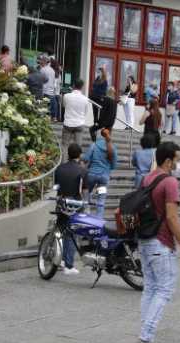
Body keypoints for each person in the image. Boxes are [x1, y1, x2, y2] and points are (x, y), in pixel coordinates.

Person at [134, 141, 180, 343]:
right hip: (161, 241)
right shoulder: (170, 182)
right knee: (164, 289)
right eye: (178, 159)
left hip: (145, 240)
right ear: (168, 161)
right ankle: (146, 337)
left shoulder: (147, 178)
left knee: (150, 288)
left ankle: (145, 333)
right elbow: (172, 217)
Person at [54, 143, 86, 276]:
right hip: (75, 204)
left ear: (68, 153)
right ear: (79, 155)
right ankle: (69, 265)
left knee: (60, 231)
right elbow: (84, 190)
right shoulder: (82, 170)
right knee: (71, 234)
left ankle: (59, 260)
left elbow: (56, 187)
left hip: (61, 202)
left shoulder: (59, 168)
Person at [82, 128, 118, 218]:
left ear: (100, 135)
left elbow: (86, 159)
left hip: (91, 175)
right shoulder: (112, 148)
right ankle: (99, 219)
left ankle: (86, 214)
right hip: (104, 177)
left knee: (87, 194)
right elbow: (114, 166)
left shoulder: (94, 145)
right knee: (101, 199)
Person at [62, 79, 89, 161]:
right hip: (79, 123)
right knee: (78, 147)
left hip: (68, 123)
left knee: (65, 145)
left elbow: (64, 106)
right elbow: (85, 112)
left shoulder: (66, 96)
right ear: (82, 87)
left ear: (73, 85)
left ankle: (64, 164)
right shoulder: (85, 99)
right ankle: (76, 164)